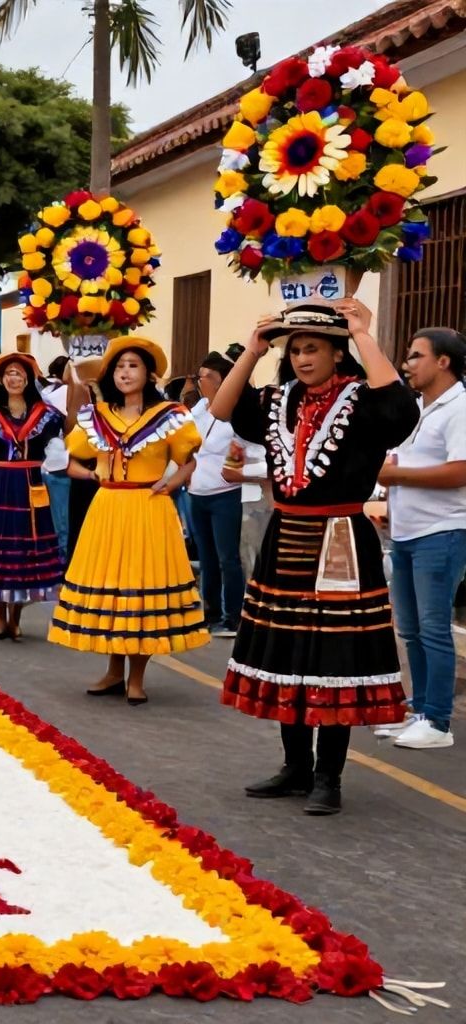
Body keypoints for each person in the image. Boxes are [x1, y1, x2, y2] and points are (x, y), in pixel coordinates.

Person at [210, 300, 418, 814]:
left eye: (313, 348)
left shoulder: (363, 401)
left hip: (341, 538)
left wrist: (363, 333)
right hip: (286, 537)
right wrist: (252, 350)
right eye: (295, 349)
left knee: (333, 656)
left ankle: (329, 776)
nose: (302, 358)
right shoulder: (277, 400)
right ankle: (295, 766)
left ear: (336, 353)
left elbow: (400, 411)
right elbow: (221, 409)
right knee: (287, 652)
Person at [49, 336, 206, 706]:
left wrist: (171, 484)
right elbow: (75, 451)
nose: (125, 372)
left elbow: (188, 461)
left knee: (142, 587)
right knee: (114, 588)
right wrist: (80, 387)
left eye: (133, 365)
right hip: (108, 506)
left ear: (148, 373)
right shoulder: (98, 415)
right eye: (119, 366)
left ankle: (137, 677)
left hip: (148, 506)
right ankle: (113, 671)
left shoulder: (170, 415)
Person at [378, 326, 466, 750]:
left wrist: (396, 476)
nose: (406, 364)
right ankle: (419, 709)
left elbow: (460, 471)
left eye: (416, 356)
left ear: (443, 362)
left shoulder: (460, 407)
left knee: (433, 629)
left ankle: (438, 722)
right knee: (410, 630)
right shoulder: (416, 409)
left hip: (441, 531)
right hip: (406, 532)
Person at [0, 352, 66, 640]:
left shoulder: (45, 412)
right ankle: (0, 615)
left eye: (19, 373)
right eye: (8, 374)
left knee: (25, 548)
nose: (13, 378)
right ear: (1, 379)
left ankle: (16, 616)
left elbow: (65, 436)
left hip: (32, 485)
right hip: (1, 485)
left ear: (28, 378)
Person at [187, 352, 262, 640]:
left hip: (224, 495)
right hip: (197, 493)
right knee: (206, 558)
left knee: (227, 557)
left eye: (206, 377)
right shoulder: (198, 410)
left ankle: (233, 616)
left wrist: (233, 468)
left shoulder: (234, 415)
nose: (200, 381)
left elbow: (243, 449)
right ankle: (210, 613)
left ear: (222, 382)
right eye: (199, 376)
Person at [40, 356, 75, 556]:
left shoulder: (49, 392)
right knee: (62, 521)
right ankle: (61, 560)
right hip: (60, 465)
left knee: (62, 520)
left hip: (59, 464)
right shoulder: (57, 394)